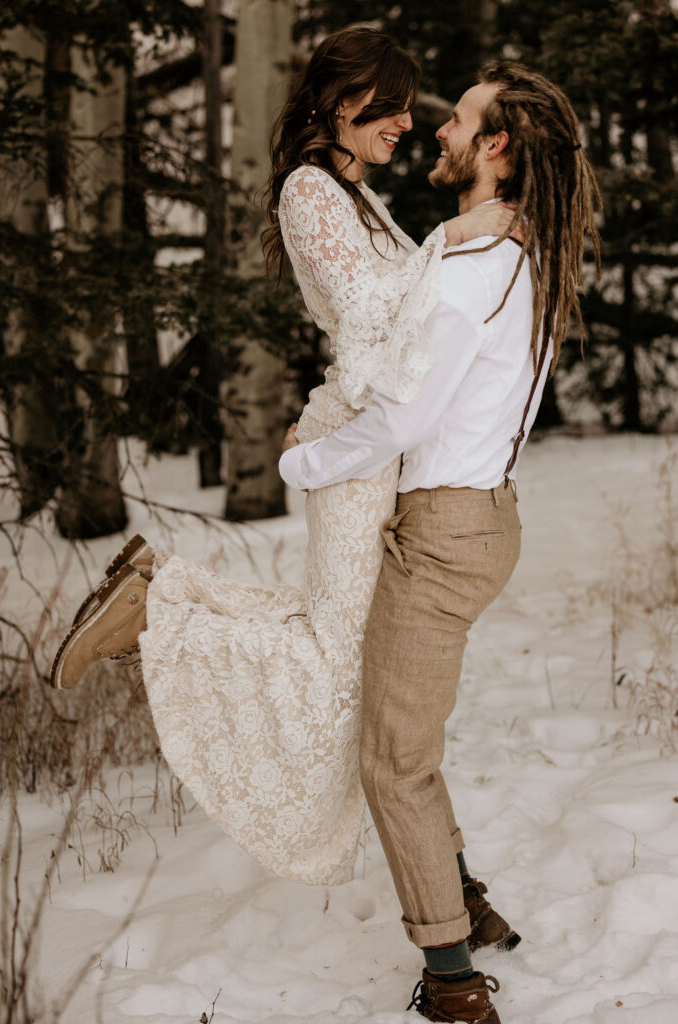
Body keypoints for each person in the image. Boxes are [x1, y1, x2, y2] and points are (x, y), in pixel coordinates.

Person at [49, 25, 514, 912]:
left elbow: (409, 320)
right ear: (343, 104)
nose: (409, 123)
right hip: (350, 450)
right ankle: (161, 605)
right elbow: (372, 309)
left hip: (372, 440)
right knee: (334, 667)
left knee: (341, 649)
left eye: (415, 107)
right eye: (394, 106)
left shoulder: (358, 195)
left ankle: (458, 888)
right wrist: (459, 235)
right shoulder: (310, 190)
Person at [279, 60, 601, 1023]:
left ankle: (452, 980)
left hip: (445, 531)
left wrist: (303, 460)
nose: (436, 132)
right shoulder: (522, 246)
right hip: (480, 516)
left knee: (391, 761)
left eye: (458, 122)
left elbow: (400, 421)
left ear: (495, 146)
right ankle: (467, 902)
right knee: (406, 738)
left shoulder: (471, 268)